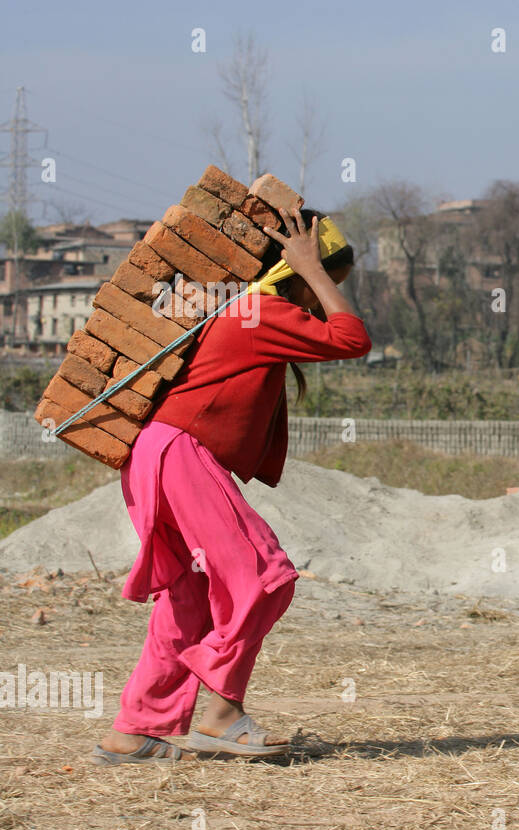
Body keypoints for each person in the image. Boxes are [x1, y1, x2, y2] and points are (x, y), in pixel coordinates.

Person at [91, 207, 371, 765]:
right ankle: (221, 716)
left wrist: (310, 273)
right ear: (290, 269)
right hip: (179, 454)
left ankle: (135, 729)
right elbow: (352, 337)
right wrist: (314, 269)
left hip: (156, 455)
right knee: (265, 577)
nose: (320, 300)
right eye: (323, 286)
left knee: (190, 599)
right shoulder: (260, 310)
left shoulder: (244, 310)